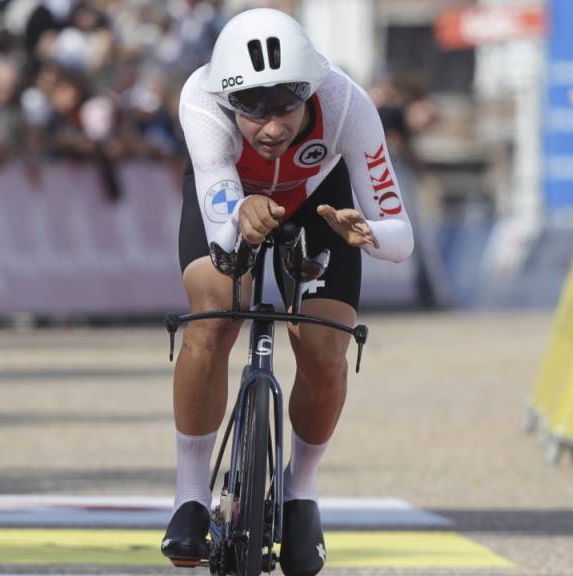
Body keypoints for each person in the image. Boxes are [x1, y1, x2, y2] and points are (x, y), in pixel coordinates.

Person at [161, 8, 413, 576]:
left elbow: (401, 238)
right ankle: (190, 495)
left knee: (326, 352)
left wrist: (368, 233)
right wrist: (240, 215)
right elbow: (221, 215)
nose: (271, 126)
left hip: (324, 205)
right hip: (231, 200)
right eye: (251, 107)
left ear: (312, 90)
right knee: (214, 318)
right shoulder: (200, 98)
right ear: (229, 100)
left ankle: (302, 490)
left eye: (287, 105)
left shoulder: (347, 103)